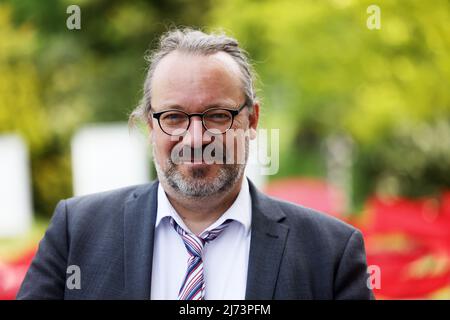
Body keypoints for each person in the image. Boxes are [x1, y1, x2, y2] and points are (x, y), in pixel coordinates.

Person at [17, 28, 374, 300]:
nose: (196, 138)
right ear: (148, 125)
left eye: (218, 116)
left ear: (251, 121)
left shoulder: (329, 254)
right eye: (174, 117)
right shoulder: (76, 233)